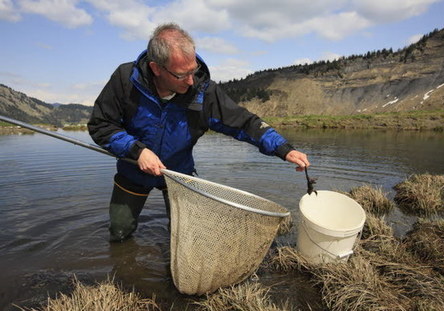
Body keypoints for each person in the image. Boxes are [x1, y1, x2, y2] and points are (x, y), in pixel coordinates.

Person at [88, 23, 310, 242]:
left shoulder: (203, 91)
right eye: (181, 75)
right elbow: (101, 124)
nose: (191, 80)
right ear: (156, 68)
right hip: (133, 169)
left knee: (184, 235)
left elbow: (244, 122)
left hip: (179, 173)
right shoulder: (125, 79)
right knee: (119, 231)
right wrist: (136, 151)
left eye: (192, 71)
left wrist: (283, 148)